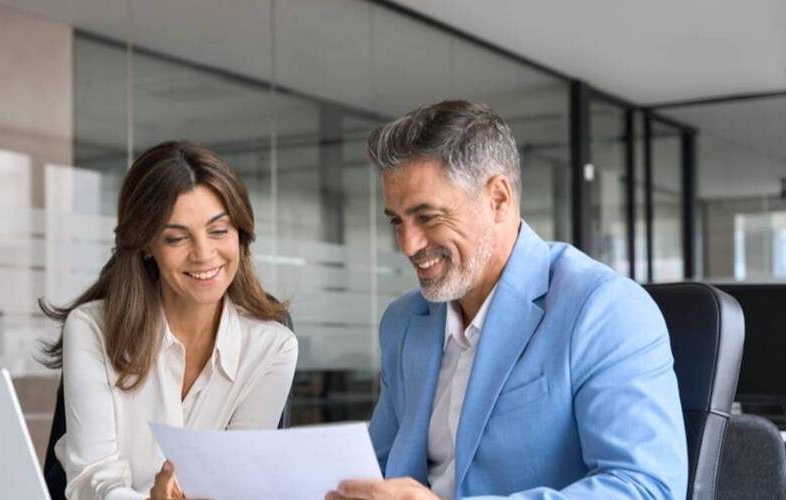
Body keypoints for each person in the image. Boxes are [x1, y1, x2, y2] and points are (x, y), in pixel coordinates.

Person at [327, 101, 687, 499]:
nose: (408, 244)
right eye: (397, 221)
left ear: (498, 199)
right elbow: (377, 467)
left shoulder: (603, 309)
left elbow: (646, 487)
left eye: (427, 217)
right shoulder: (404, 320)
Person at [40, 141, 298, 500]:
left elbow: (239, 484)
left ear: (241, 233)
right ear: (147, 245)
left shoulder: (272, 345)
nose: (204, 254)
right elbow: (89, 479)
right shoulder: (91, 328)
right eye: (177, 238)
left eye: (219, 231)